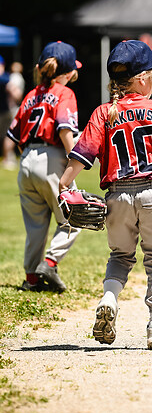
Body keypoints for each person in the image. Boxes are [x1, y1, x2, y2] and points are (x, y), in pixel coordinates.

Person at [59, 40, 152, 349]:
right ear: (143, 79)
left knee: (120, 256)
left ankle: (109, 298)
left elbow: (81, 156)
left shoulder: (104, 112)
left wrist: (64, 185)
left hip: (116, 196)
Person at [6, 41, 82, 293]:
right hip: (52, 159)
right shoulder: (64, 93)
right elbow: (64, 129)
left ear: (40, 68)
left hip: (26, 160)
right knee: (73, 217)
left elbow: (15, 137)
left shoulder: (30, 95)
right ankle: (49, 263)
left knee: (35, 226)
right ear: (70, 72)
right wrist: (73, 160)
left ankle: (31, 279)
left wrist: (30, 160)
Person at [2, 62, 26, 169]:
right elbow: (14, 92)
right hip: (10, 109)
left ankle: (9, 157)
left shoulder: (9, 76)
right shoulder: (10, 78)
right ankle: (8, 158)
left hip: (7, 109)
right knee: (10, 135)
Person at [0, 55, 11, 163]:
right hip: (4, 110)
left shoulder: (5, 78)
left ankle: (7, 157)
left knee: (5, 136)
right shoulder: (5, 78)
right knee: (6, 136)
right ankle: (7, 158)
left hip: (4, 110)